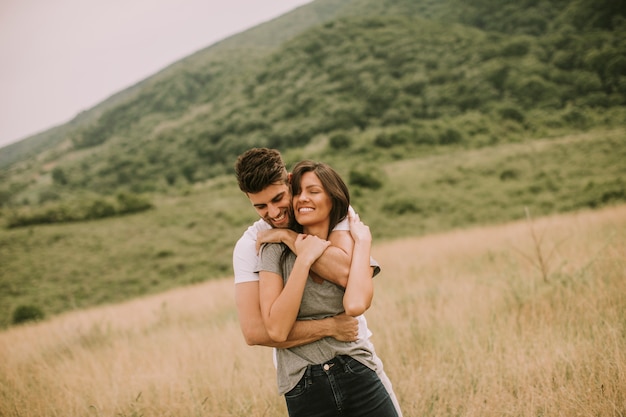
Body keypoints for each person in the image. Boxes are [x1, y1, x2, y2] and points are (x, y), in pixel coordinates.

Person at [233, 148, 402, 415]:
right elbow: (256, 332)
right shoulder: (254, 245)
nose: (274, 213)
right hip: (302, 379)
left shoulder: (327, 211)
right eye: (261, 206)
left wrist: (291, 239)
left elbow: (350, 279)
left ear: (290, 181)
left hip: (356, 362)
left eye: (278, 199)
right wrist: (330, 326)